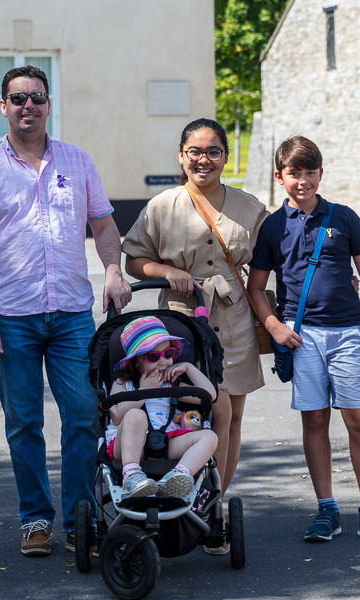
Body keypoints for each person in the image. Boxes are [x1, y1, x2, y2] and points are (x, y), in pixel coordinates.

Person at [0, 65, 132, 557]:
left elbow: (102, 226)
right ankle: (35, 519)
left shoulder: (77, 162)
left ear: (49, 104)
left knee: (83, 415)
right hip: (11, 317)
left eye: (36, 97)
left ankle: (82, 517)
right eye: (17, 99)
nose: (27, 106)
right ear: (3, 107)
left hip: (73, 314)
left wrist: (114, 269)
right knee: (23, 423)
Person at [247, 135, 360, 543]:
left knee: (359, 419)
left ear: (321, 174)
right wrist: (274, 327)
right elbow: (255, 288)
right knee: (315, 419)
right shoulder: (272, 226)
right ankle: (326, 509)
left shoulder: (343, 218)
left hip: (348, 334)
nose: (302, 181)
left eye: (310, 173)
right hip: (300, 339)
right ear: (279, 177)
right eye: (294, 174)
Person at [122, 118, 268, 504]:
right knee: (191, 413)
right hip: (181, 325)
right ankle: (182, 492)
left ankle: (213, 503)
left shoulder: (250, 208)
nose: (204, 160)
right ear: (182, 156)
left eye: (213, 151)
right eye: (195, 152)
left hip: (233, 321)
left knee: (229, 417)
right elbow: (133, 261)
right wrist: (168, 270)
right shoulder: (161, 207)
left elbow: (274, 264)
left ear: (225, 156)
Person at [107, 316, 218, 499]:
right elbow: (117, 416)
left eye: (168, 354)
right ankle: (132, 476)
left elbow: (209, 395)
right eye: (153, 356)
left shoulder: (171, 386)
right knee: (135, 415)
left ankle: (178, 476)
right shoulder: (124, 383)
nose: (163, 361)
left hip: (166, 440)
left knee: (209, 437)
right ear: (136, 361)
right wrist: (143, 391)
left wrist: (189, 368)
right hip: (130, 445)